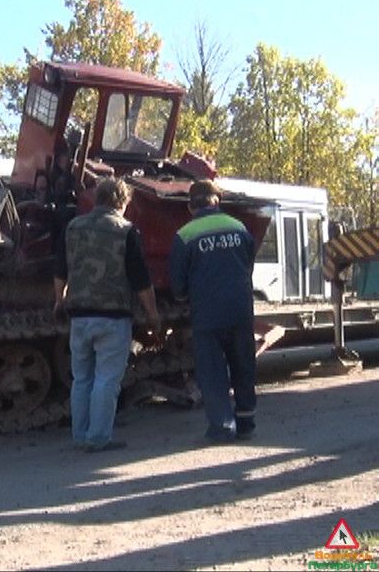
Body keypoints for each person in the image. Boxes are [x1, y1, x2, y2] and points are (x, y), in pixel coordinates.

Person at [54, 178, 161, 452]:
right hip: (113, 317)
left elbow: (60, 269)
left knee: (82, 379)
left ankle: (79, 435)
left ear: (96, 199)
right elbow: (140, 280)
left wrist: (59, 300)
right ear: (122, 202)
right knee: (106, 380)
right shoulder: (126, 231)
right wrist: (153, 314)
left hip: (79, 316)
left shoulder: (73, 227)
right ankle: (99, 438)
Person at [169, 179, 257, 443]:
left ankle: (222, 427)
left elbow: (178, 284)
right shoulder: (239, 228)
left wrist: (185, 297)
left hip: (207, 315)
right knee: (243, 365)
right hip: (241, 311)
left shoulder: (185, 235)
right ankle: (246, 422)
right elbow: (248, 264)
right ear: (217, 201)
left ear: (189, 207)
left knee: (212, 372)